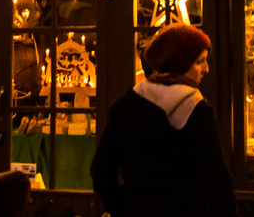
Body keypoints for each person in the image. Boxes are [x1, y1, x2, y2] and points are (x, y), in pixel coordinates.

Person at [91, 23, 233, 217]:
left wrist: (121, 208)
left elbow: (101, 170)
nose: (206, 69)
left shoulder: (126, 104)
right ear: (180, 63)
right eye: (199, 61)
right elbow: (218, 181)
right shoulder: (197, 110)